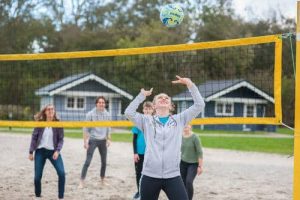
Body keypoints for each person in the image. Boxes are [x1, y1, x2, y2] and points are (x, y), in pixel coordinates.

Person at [125, 75, 205, 200]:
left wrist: (190, 85)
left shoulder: (179, 119)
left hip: (172, 175)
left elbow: (200, 105)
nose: (163, 98)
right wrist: (141, 96)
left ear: (171, 105)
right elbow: (128, 112)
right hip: (150, 175)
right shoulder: (146, 121)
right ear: (154, 106)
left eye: (166, 98)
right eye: (160, 98)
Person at [28, 104, 65, 200]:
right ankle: (37, 196)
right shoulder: (40, 123)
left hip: (53, 152)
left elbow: (61, 140)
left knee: (62, 173)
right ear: (45, 112)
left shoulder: (58, 123)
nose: (50, 111)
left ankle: (61, 197)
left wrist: (57, 151)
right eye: (48, 109)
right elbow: (34, 137)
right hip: (40, 151)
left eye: (52, 109)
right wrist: (31, 152)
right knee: (37, 177)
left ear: (54, 111)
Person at [79, 96, 111, 188]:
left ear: (105, 104)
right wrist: (85, 142)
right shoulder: (90, 114)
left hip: (103, 140)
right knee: (88, 161)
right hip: (93, 140)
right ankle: (81, 181)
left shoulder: (107, 114)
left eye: (103, 102)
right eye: (99, 102)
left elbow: (109, 127)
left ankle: (102, 179)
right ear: (96, 104)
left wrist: (109, 138)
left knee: (104, 162)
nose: (101, 104)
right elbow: (85, 129)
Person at [132, 101, 154, 200]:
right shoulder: (138, 121)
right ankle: (139, 191)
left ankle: (147, 191)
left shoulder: (155, 121)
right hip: (140, 153)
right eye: (146, 108)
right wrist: (135, 152)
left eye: (149, 109)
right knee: (138, 173)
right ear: (143, 110)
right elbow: (134, 138)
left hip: (151, 153)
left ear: (152, 110)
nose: (147, 110)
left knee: (150, 173)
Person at [180, 124, 203, 200]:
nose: (185, 127)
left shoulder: (195, 137)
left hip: (193, 164)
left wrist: (200, 166)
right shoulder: (181, 136)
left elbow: (200, 152)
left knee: (189, 182)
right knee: (182, 183)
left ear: (190, 126)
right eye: (184, 126)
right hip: (183, 163)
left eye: (187, 126)